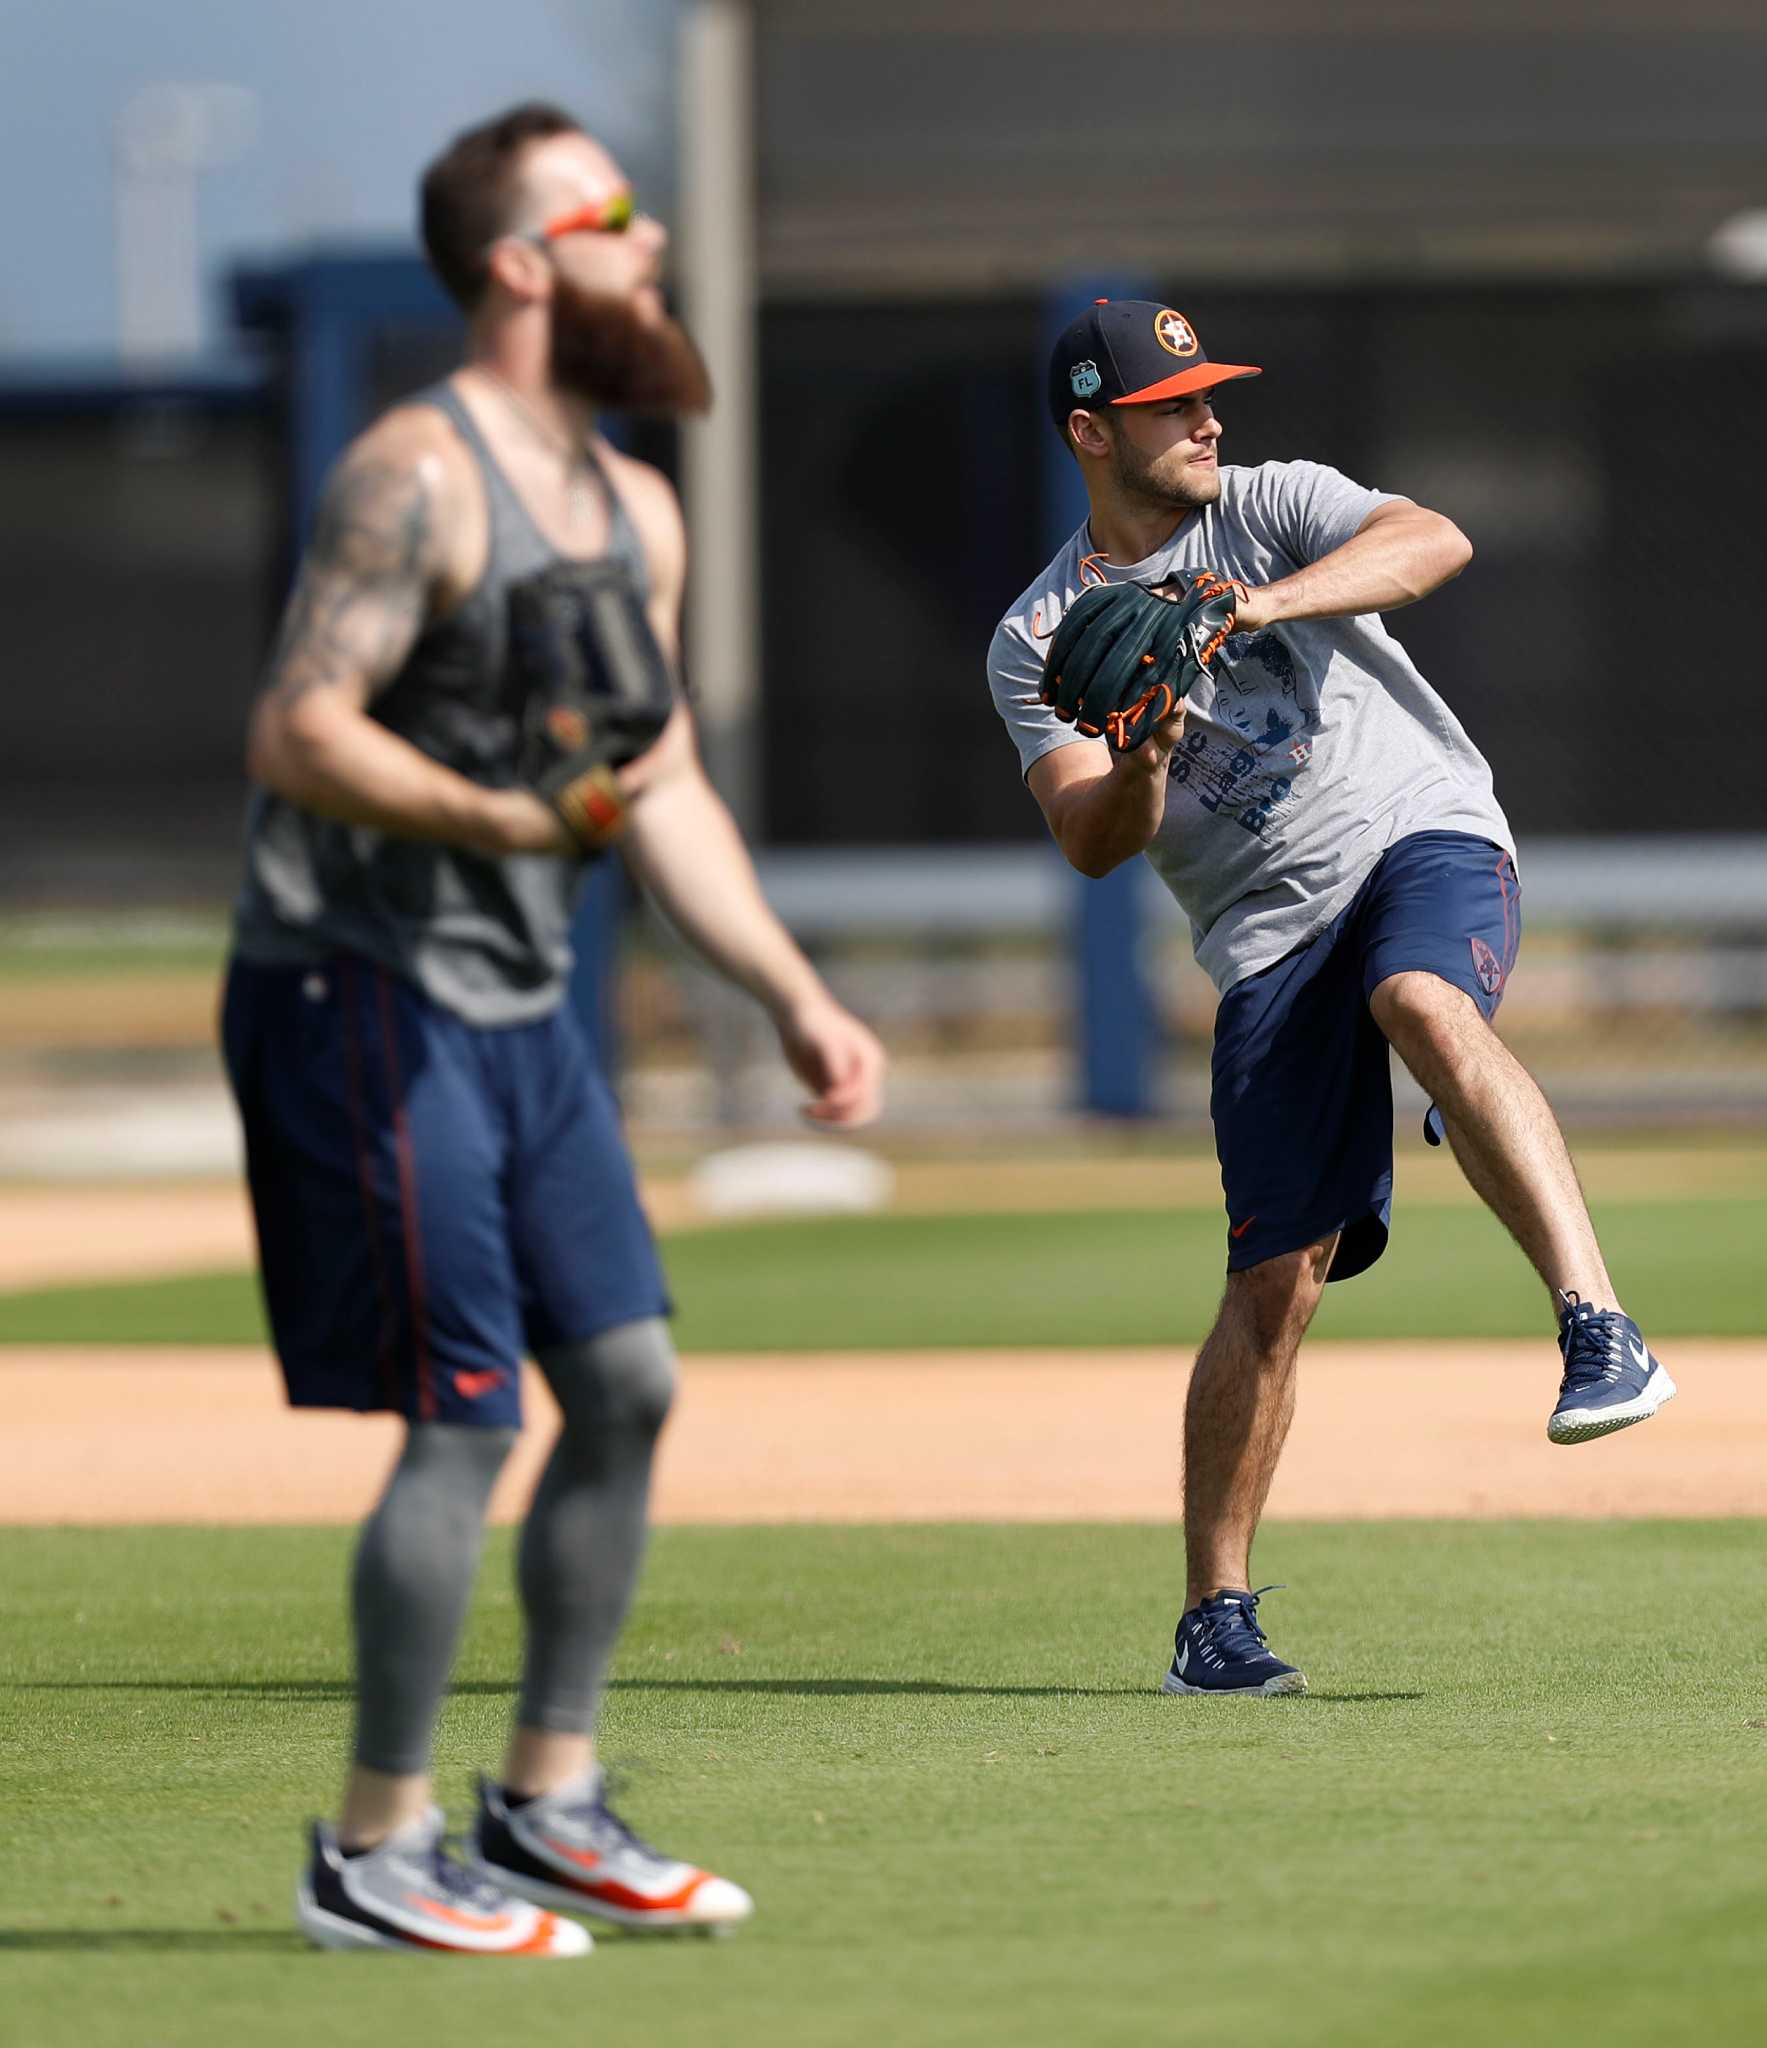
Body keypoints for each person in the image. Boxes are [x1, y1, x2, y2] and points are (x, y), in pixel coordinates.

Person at [222, 102, 885, 1955]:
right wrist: (506, 821)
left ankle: (547, 1804)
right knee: (466, 1414)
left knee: (632, 1385)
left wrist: (797, 994)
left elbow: (660, 786)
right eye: (614, 216)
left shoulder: (634, 508)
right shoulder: (415, 478)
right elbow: (300, 728)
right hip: (361, 991)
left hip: (513, 1005)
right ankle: (372, 1847)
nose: (650, 242)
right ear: (521, 262)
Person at [986, 298, 1675, 1698]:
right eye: (1175, 403)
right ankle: (1213, 1619)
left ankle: (1597, 1324)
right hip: (1264, 934)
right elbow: (1090, 839)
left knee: (1423, 999)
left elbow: (1432, 540)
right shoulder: (1039, 636)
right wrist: (1143, 751)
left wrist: (1250, 603)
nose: (1208, 418)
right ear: (1089, 431)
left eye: (1208, 395)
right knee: (1273, 1285)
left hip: (1422, 828)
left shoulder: (1271, 505)